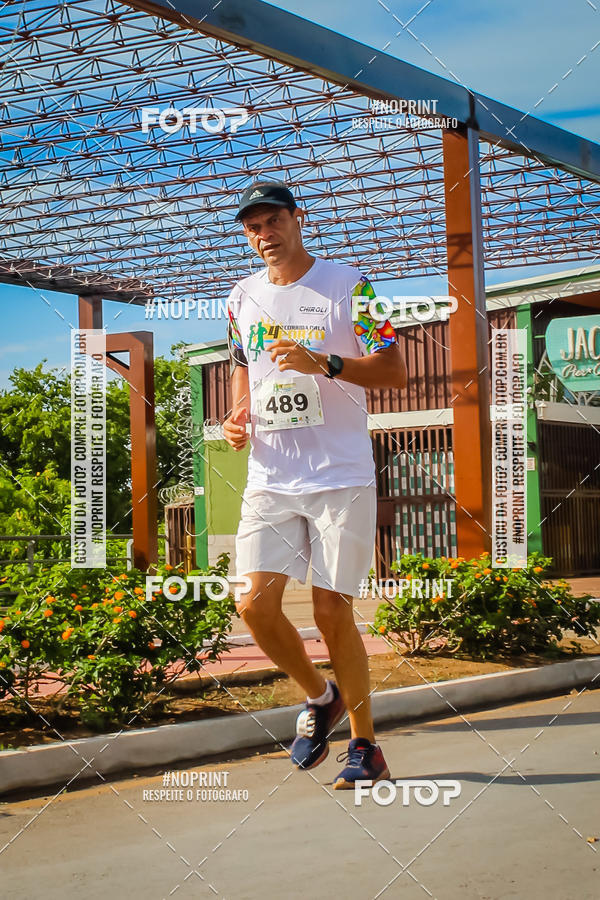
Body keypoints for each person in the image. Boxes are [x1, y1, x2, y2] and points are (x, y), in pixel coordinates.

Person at [223, 179, 407, 789]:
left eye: (273, 221)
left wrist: (327, 362)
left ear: (298, 220)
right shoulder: (240, 298)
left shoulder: (351, 285)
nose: (264, 234)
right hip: (271, 475)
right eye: (253, 226)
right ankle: (320, 694)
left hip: (340, 473)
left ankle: (366, 746)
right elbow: (244, 372)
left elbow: (395, 369)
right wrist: (237, 416)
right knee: (252, 602)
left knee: (331, 610)